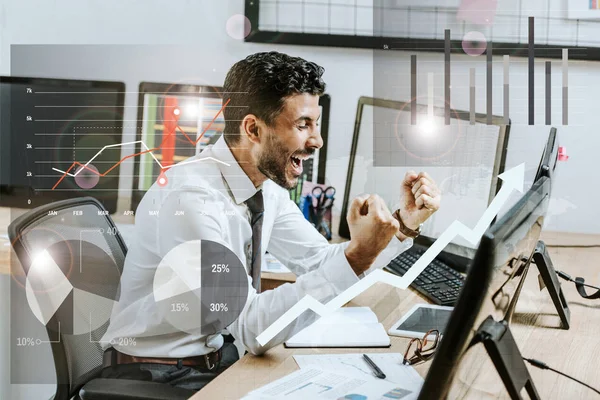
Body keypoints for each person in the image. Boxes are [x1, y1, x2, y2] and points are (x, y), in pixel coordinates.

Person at [100, 51, 441, 390]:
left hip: (213, 361)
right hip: (154, 377)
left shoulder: (263, 188)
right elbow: (251, 328)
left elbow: (319, 261)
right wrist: (358, 255)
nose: (317, 140)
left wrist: (402, 226)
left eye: (316, 124)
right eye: (302, 125)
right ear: (253, 129)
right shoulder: (190, 200)